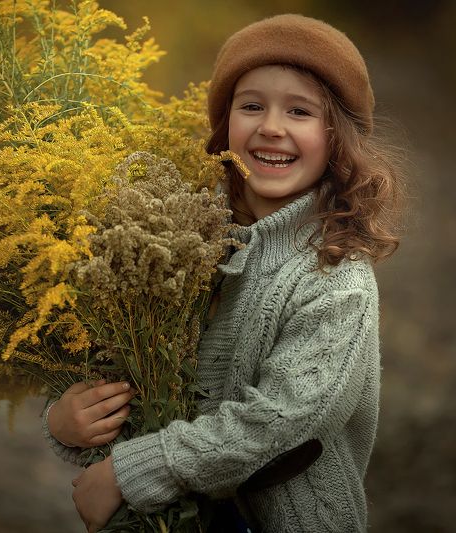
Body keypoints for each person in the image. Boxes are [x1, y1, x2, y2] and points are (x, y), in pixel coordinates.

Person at [44, 13, 405, 532]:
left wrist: (134, 471)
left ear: (337, 138)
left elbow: (285, 421)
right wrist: (64, 422)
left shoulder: (336, 278)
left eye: (299, 111)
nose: (271, 126)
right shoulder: (173, 244)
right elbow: (130, 377)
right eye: (251, 106)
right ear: (226, 125)